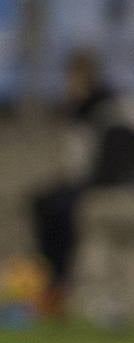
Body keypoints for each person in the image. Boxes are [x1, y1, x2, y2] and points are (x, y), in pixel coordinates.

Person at [30, 49, 134, 316]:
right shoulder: (121, 106)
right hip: (122, 193)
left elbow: (82, 168)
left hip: (103, 193)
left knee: (55, 210)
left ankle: (61, 289)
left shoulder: (91, 115)